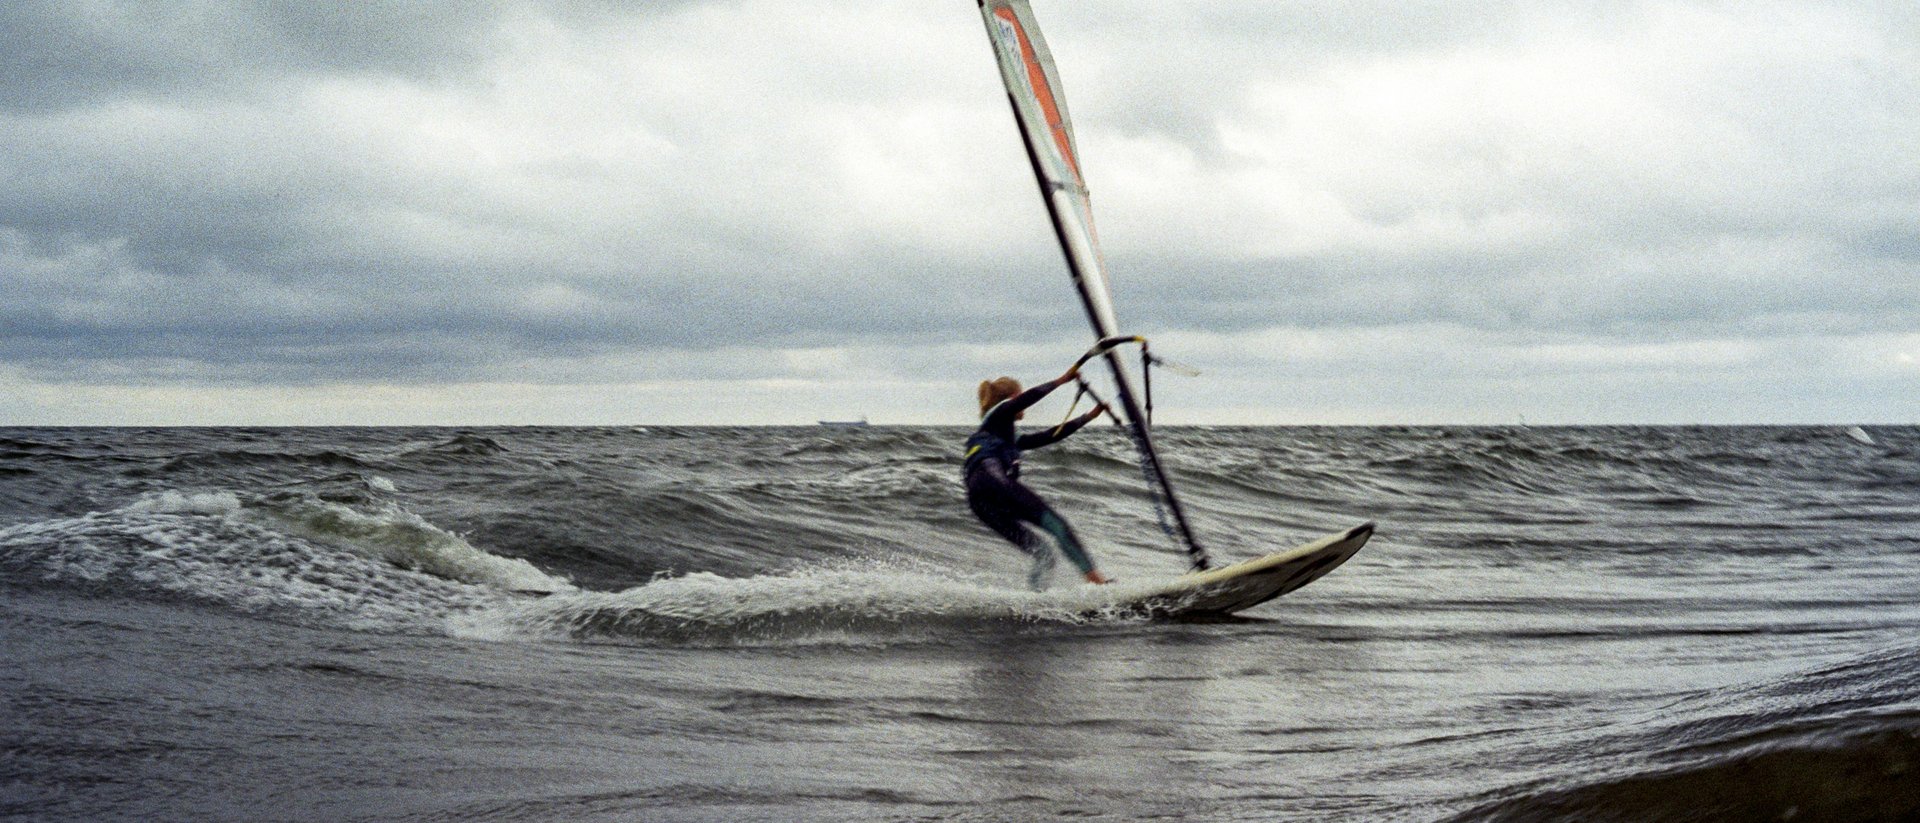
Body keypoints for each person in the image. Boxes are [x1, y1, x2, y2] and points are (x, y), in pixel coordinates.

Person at [964, 366, 1112, 591]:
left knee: (1044, 554)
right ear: (1014, 396)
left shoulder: (1004, 434)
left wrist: (1087, 417)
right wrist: (1061, 380)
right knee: (1057, 525)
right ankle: (1097, 582)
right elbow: (1025, 400)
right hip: (993, 481)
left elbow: (1047, 437)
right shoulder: (1000, 412)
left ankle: (1035, 600)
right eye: (1019, 396)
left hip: (980, 501)